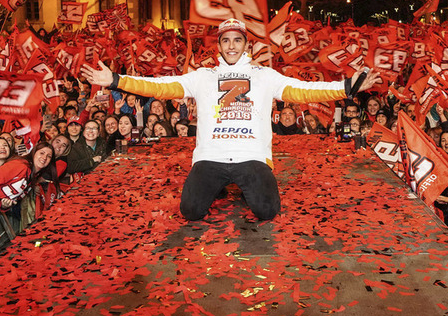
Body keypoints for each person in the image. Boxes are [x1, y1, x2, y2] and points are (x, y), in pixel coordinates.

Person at [82, 17, 379, 221]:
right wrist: (116, 80)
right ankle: (219, 184)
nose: (232, 46)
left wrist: (346, 86)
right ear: (219, 46)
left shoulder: (264, 75)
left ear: (246, 45)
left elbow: (304, 91)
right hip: (211, 157)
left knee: (267, 211)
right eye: (226, 41)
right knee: (191, 211)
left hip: (251, 157)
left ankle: (243, 185)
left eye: (238, 40)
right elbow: (159, 85)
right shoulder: (203, 76)